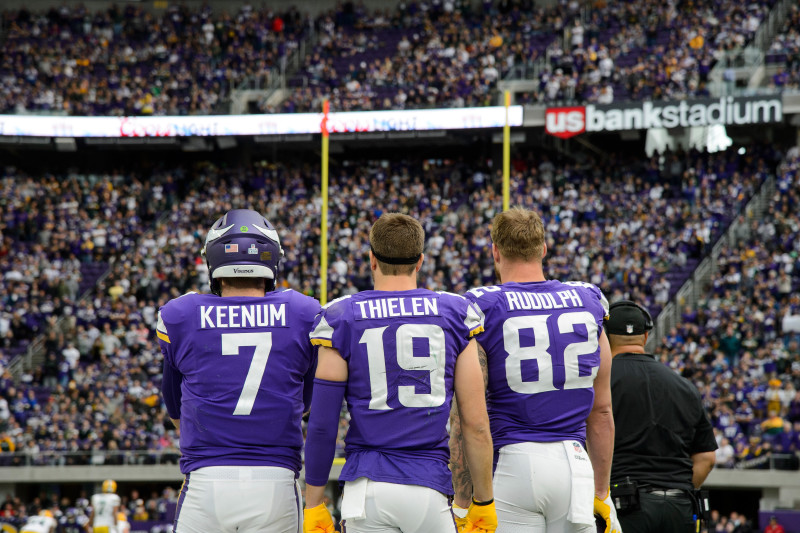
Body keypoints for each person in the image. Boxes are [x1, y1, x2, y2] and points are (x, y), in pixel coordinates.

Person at [303, 212, 497, 532]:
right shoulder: (454, 313)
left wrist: (313, 504)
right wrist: (484, 501)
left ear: (371, 260)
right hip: (429, 489)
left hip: (367, 490)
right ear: (420, 262)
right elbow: (475, 425)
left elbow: (323, 426)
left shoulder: (342, 315)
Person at [453, 207, 620, 533]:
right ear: (543, 249)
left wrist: (462, 501)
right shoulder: (588, 300)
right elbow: (601, 412)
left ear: (495, 251)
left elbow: (466, 418)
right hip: (575, 465)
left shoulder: (481, 306)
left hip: (512, 462)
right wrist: (602, 492)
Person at [157, 209, 321, 533]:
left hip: (206, 480)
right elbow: (307, 401)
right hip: (275, 480)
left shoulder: (183, 313)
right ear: (272, 258)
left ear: (213, 260)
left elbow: (174, 405)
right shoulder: (304, 312)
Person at [606, 299, 717, 533]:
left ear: (604, 338)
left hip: (624, 506)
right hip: (679, 507)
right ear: (645, 338)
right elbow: (707, 458)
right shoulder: (686, 387)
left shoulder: (599, 383)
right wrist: (677, 489)